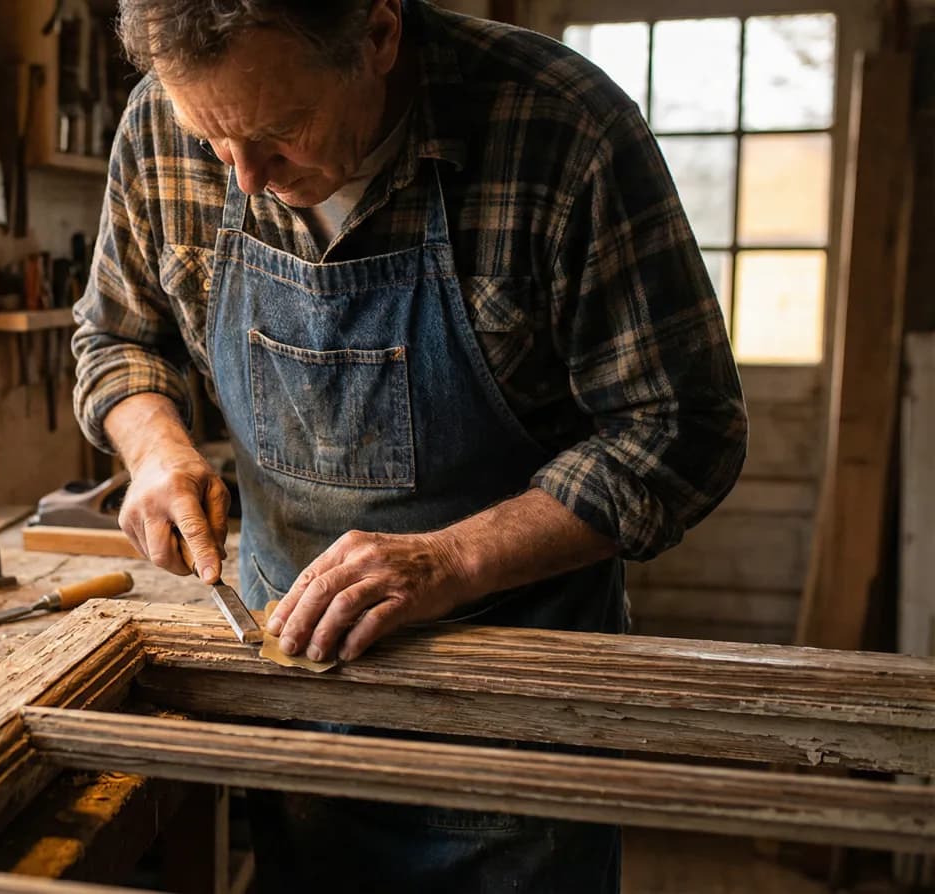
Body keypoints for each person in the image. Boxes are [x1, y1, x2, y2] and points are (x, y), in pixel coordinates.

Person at [71, 0, 748, 890]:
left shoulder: (562, 128)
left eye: (280, 132)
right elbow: (117, 337)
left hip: (508, 715)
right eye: (215, 143)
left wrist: (451, 560)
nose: (245, 179)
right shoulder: (164, 122)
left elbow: (682, 428)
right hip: (294, 686)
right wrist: (154, 446)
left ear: (380, 35)